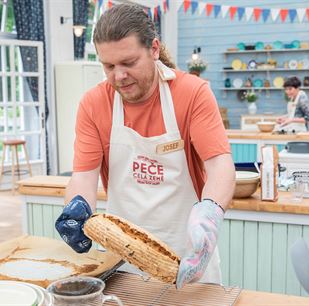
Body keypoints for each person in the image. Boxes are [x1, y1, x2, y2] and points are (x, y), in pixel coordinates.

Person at [55, 3, 235, 289]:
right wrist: (76, 208)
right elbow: (84, 177)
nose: (119, 76)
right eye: (109, 66)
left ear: (153, 49)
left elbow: (221, 166)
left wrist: (210, 213)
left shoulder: (192, 94)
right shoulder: (93, 104)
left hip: (187, 257)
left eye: (128, 63)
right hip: (120, 262)